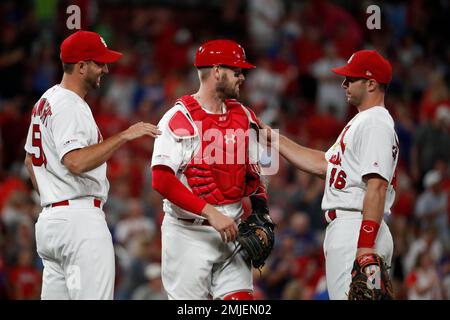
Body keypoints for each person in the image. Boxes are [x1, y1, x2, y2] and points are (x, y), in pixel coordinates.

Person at [23, 30, 160, 300]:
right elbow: (75, 161)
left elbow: (30, 160)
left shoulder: (46, 100)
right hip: (79, 223)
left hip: (52, 221)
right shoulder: (70, 105)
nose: (105, 69)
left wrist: (53, 198)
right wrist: (124, 135)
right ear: (82, 66)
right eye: (99, 63)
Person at [259, 50, 399, 299]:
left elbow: (376, 186)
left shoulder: (374, 123)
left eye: (351, 79)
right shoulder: (362, 122)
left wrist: (365, 246)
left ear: (371, 83)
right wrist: (272, 137)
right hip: (354, 228)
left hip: (358, 228)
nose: (343, 84)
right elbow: (324, 164)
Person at [151, 39, 269, 300]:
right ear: (217, 71)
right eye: (237, 71)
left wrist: (262, 212)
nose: (242, 77)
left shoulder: (244, 116)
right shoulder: (179, 118)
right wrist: (210, 213)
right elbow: (161, 180)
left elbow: (254, 174)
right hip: (188, 234)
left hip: (234, 232)